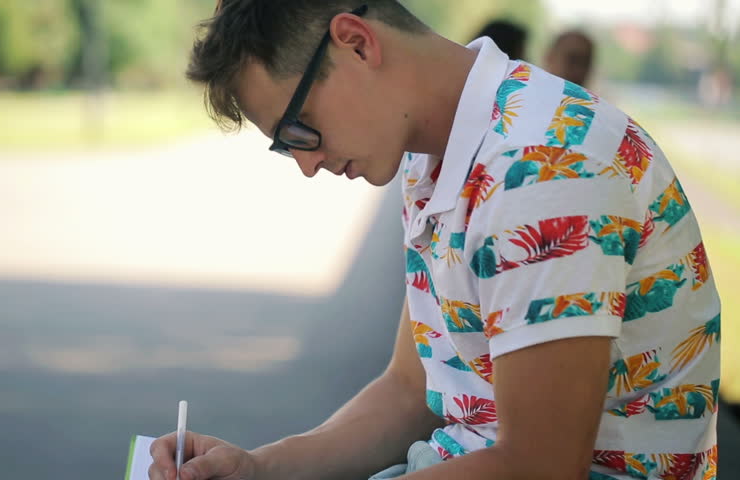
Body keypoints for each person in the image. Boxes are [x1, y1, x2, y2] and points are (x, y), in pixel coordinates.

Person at [150, 2, 721, 479]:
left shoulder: (543, 165)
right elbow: (409, 390)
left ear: (356, 43)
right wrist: (260, 467)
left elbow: (539, 464)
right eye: (286, 146)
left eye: (299, 129)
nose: (307, 164)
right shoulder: (443, 151)